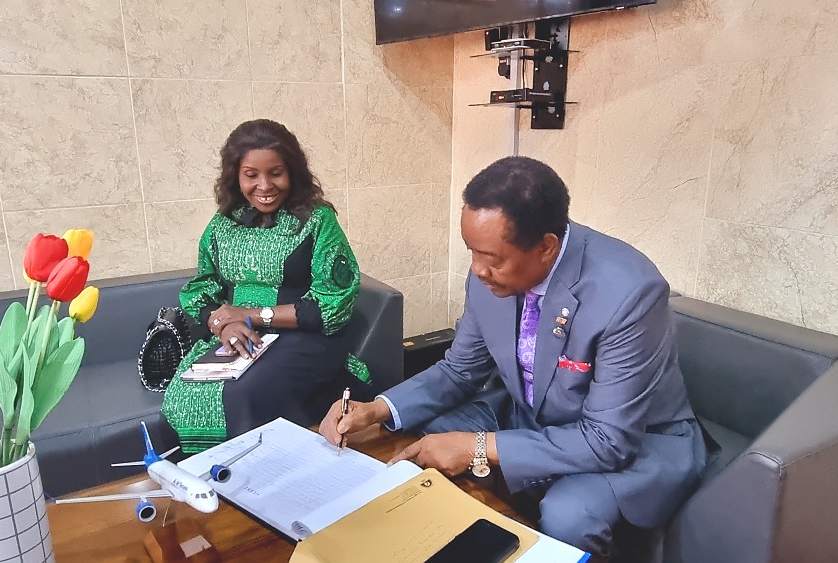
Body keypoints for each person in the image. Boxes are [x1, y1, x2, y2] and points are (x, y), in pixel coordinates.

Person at [319, 156, 708, 557]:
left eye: (491, 259)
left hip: (633, 442)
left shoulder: (629, 293)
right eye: (472, 251)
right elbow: (460, 369)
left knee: (569, 514)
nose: (477, 270)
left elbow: (608, 440)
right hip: (531, 414)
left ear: (546, 247)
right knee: (423, 432)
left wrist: (477, 446)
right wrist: (376, 409)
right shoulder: (489, 272)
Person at [163, 119, 369, 453]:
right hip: (240, 335)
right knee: (184, 395)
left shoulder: (317, 220)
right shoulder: (223, 224)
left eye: (276, 173)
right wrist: (224, 324)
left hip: (304, 337)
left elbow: (332, 305)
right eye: (251, 174)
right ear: (236, 175)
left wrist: (250, 315)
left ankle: (257, 477)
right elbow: (201, 289)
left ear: (292, 172)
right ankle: (203, 480)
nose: (264, 185)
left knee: (242, 393)